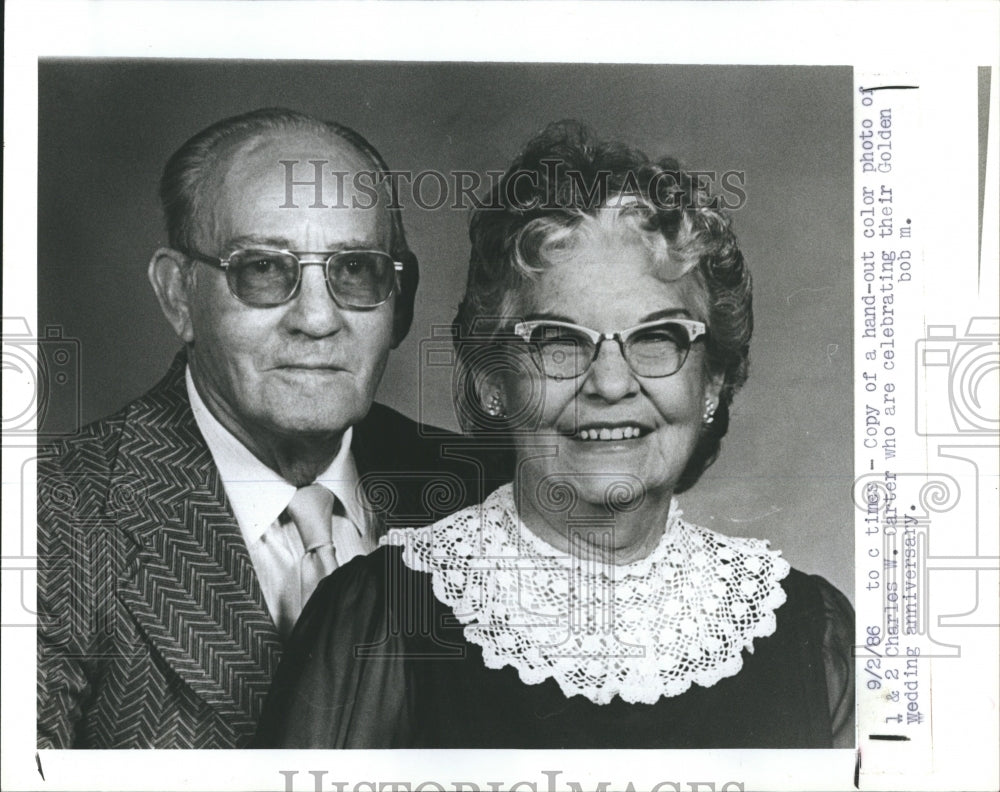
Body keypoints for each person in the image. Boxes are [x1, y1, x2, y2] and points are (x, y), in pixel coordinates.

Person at [256, 121, 855, 749]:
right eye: (559, 341)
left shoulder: (813, 634)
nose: (611, 383)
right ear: (494, 381)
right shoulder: (380, 616)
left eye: (657, 338)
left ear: (712, 382)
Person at [36, 108, 498, 749]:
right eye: (262, 269)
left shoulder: (485, 496)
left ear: (403, 302)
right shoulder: (46, 517)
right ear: (178, 295)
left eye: (355, 270)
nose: (316, 320)